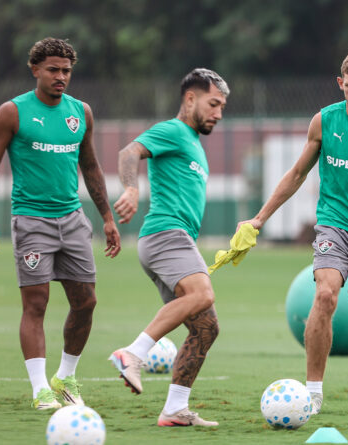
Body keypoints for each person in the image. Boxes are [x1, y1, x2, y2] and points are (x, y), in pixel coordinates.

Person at [237, 52, 348, 414]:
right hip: (334, 225)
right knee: (324, 296)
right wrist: (259, 219)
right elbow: (295, 174)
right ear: (341, 84)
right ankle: (313, 391)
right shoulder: (323, 121)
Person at [0, 37, 121, 410]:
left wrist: (107, 217)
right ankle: (40, 389)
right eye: (53, 70)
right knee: (36, 304)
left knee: (86, 301)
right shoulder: (12, 112)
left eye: (67, 71)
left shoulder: (81, 113)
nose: (61, 77)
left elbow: (90, 165)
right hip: (31, 220)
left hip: (73, 219)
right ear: (36, 70)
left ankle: (66, 376)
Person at [109, 68, 229, 427]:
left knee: (206, 327)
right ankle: (133, 353)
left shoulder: (192, 142)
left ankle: (175, 409)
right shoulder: (174, 130)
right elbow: (129, 152)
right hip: (166, 235)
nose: (218, 114)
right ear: (190, 99)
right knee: (203, 293)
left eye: (222, 107)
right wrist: (131, 189)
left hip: (175, 240)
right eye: (213, 104)